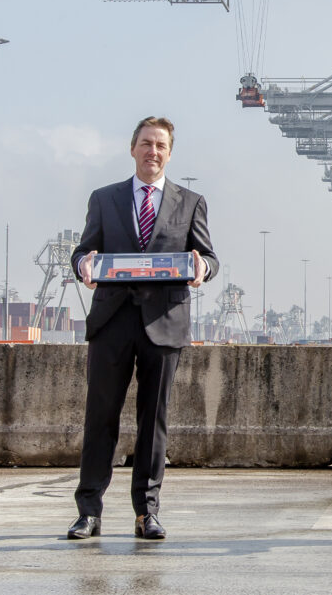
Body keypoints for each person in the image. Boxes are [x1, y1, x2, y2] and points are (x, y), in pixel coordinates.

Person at [65, 117, 217, 541]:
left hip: (164, 324)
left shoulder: (191, 202)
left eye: (161, 146)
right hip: (112, 322)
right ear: (132, 148)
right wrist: (84, 266)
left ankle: (146, 513)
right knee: (100, 419)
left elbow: (208, 256)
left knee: (155, 422)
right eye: (146, 143)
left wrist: (203, 267)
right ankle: (89, 512)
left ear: (170, 153)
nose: (153, 151)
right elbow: (83, 250)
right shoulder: (104, 199)